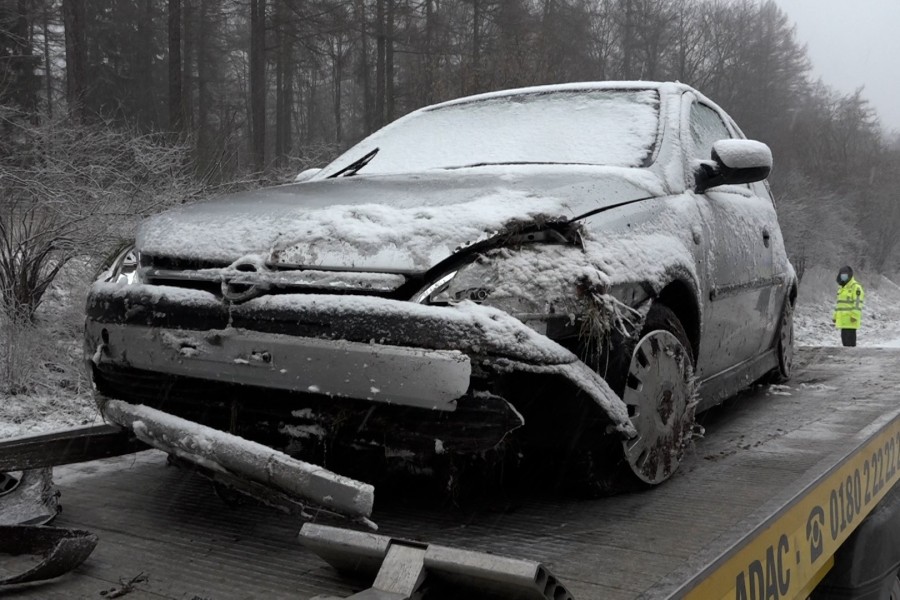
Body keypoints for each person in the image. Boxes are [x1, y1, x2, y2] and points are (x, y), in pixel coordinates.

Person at [833, 266, 864, 347]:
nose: (843, 276)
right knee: (845, 345)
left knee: (850, 345)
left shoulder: (856, 287)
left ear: (850, 275)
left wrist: (854, 315)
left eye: (845, 274)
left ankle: (852, 359)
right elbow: (839, 304)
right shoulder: (841, 288)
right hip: (843, 321)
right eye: (842, 274)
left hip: (851, 321)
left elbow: (857, 303)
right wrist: (835, 316)